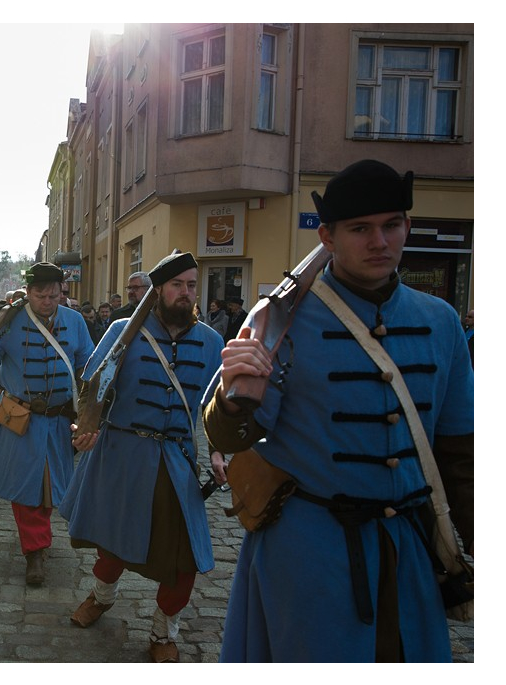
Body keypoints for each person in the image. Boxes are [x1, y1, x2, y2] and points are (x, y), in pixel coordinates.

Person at [202, 159, 474, 662]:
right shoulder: (280, 318)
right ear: (327, 236)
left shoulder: (441, 321)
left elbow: (461, 456)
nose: (379, 242)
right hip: (309, 549)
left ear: (407, 226)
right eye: (360, 229)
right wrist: (233, 394)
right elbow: (235, 434)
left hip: (409, 549)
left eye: (392, 225)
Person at [62, 251, 225, 663]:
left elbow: (217, 408)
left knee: (184, 557)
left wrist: (221, 450)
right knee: (113, 545)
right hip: (122, 454)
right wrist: (86, 426)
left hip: (176, 461)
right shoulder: (122, 331)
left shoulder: (210, 341)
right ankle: (102, 597)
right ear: (158, 291)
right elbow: (93, 388)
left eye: (192, 285)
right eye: (178, 285)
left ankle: (163, 632)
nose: (187, 293)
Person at [0, 263, 94, 585]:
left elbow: (87, 368)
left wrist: (89, 414)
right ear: (28, 293)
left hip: (59, 419)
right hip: (21, 418)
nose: (47, 301)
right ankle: (35, 551)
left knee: (52, 485)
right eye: (40, 295)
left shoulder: (75, 321)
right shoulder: (9, 320)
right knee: (27, 486)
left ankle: (37, 538)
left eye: (53, 295)